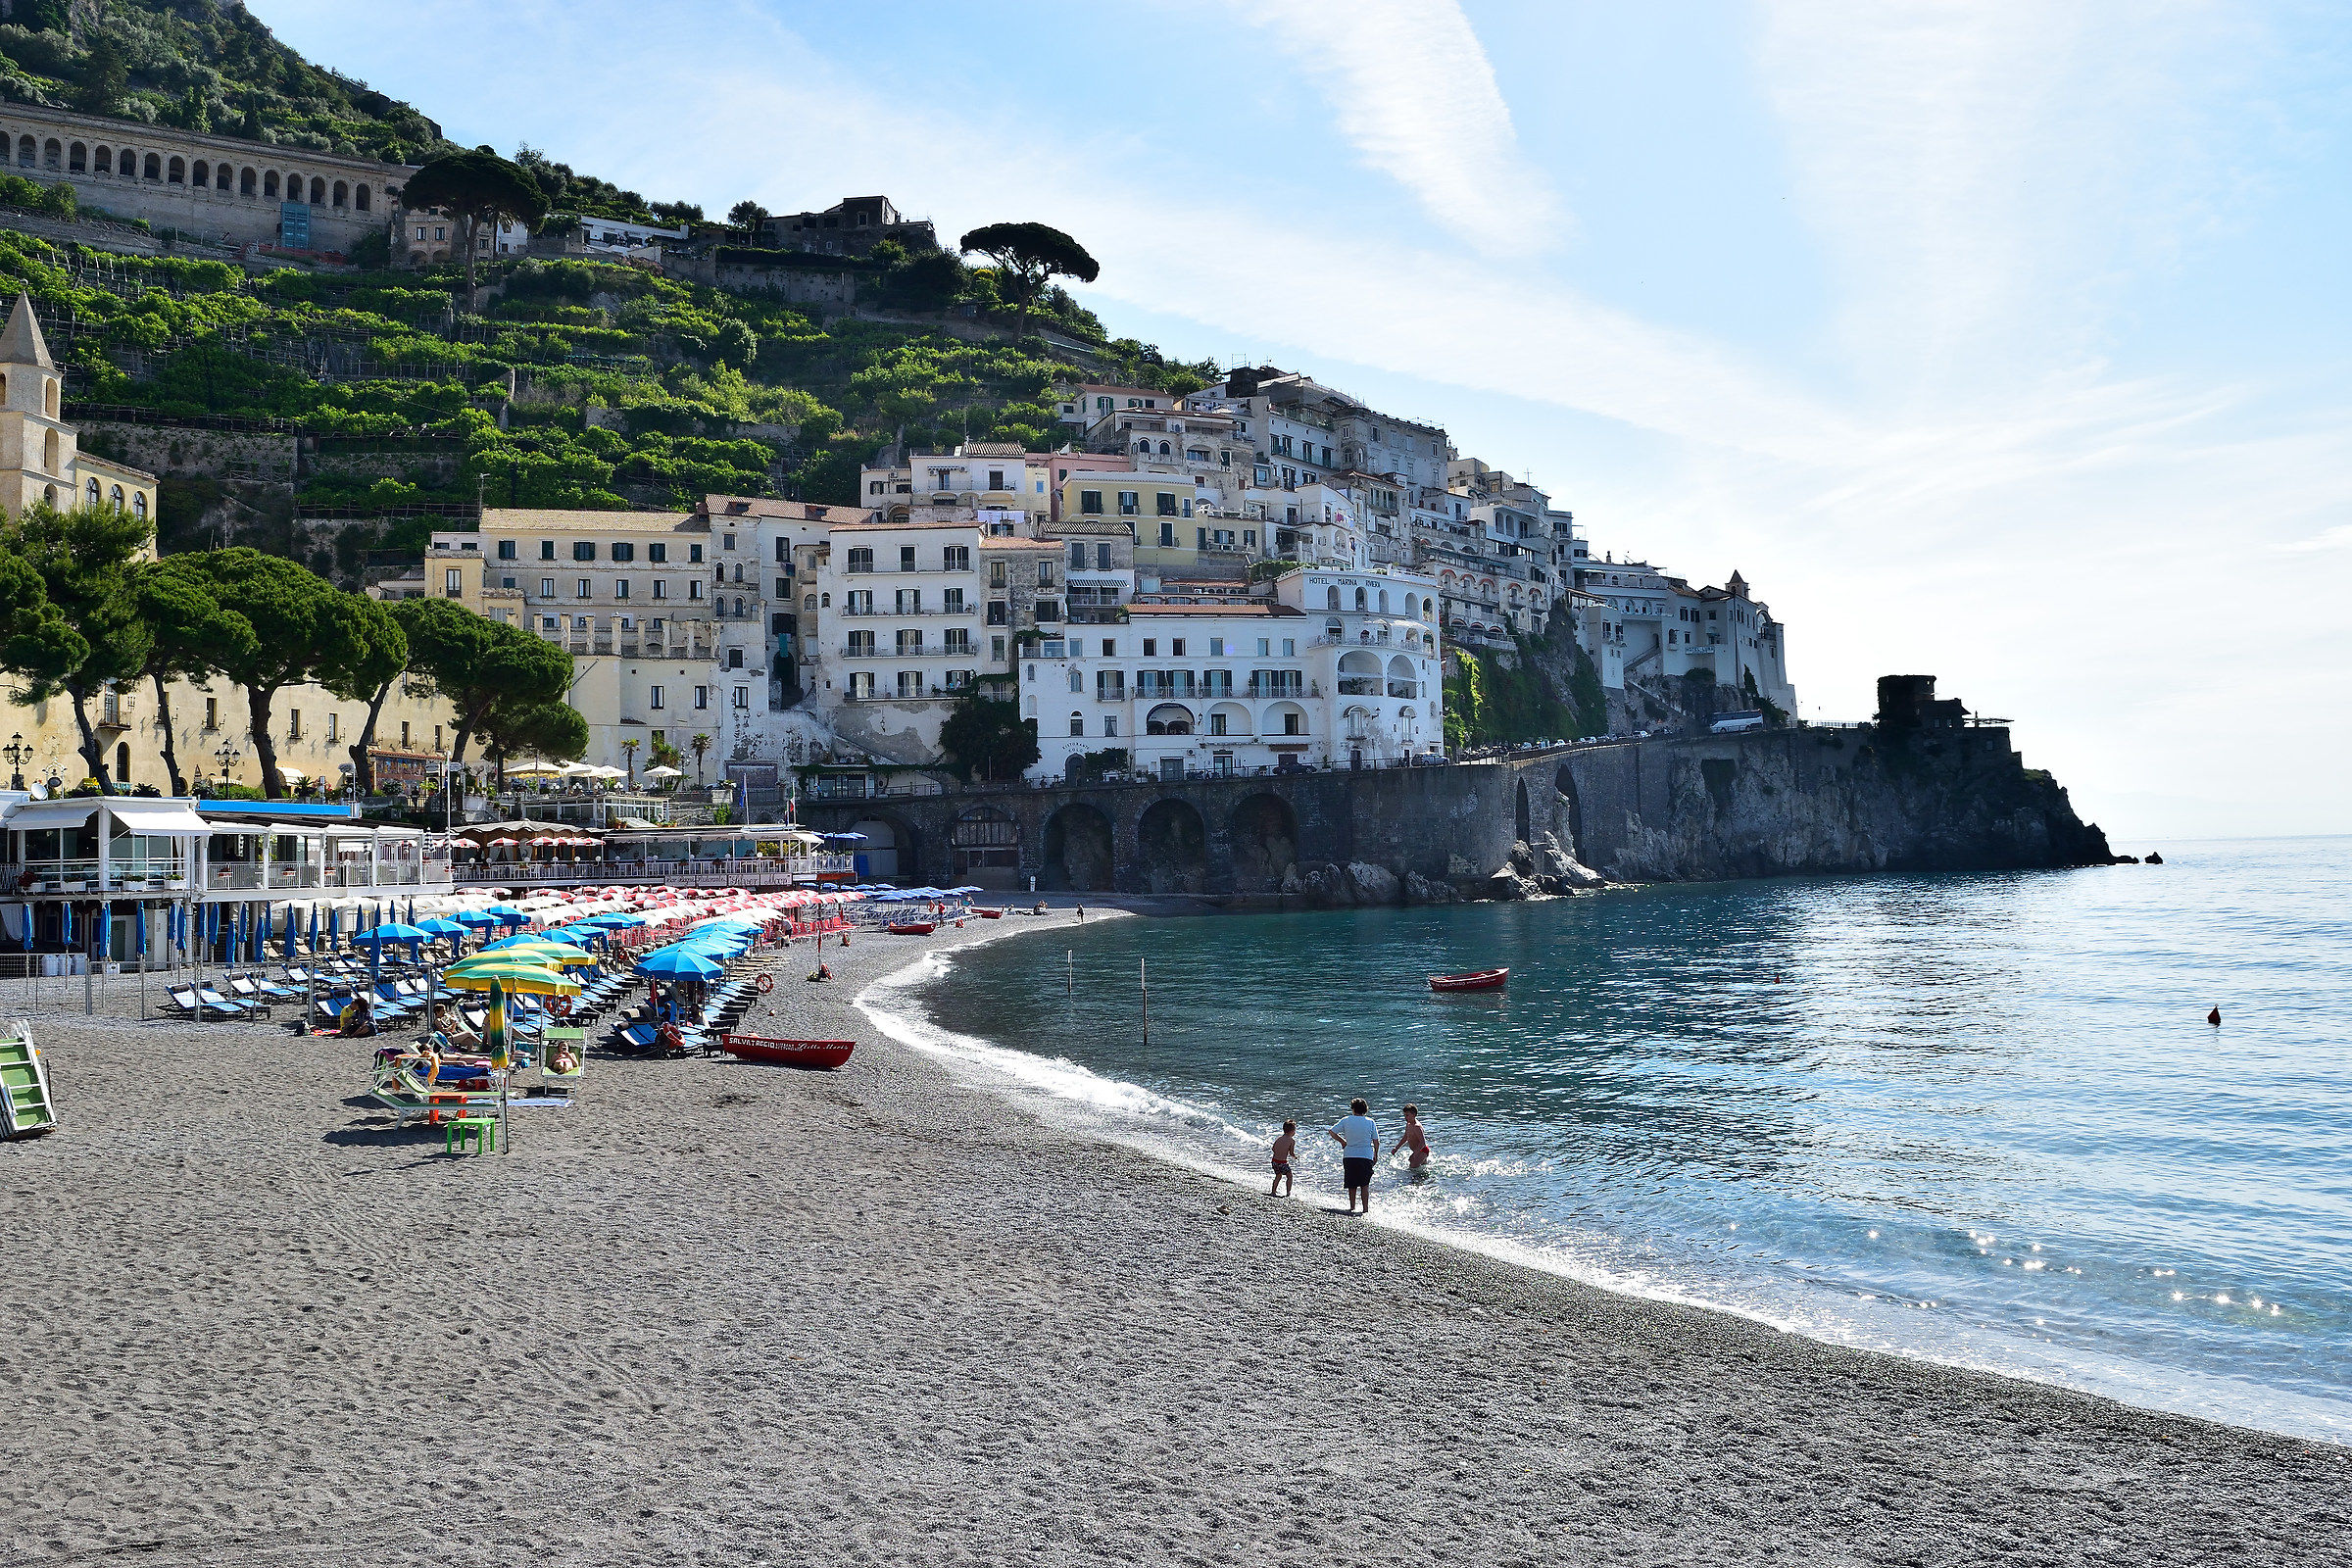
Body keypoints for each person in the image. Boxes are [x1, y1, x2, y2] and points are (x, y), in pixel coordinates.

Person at [1329, 1098, 1380, 1214]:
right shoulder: (1370, 1122)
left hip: (1349, 1155)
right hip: (1366, 1156)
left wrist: (1342, 1141)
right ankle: (1365, 1209)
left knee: (1351, 1184)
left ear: (1353, 1109)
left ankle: (1352, 1207)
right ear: (1365, 1109)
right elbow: (1376, 1141)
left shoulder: (1346, 1120)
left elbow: (1332, 1131)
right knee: (1364, 1184)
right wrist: (1376, 1154)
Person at [1396, 1102, 1433, 1171]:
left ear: (1414, 1115)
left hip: (1422, 1151)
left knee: (1413, 1167)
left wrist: (1414, 1154)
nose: (1405, 1117)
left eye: (1407, 1115)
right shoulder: (1408, 1124)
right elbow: (1405, 1137)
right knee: (1421, 1168)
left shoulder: (1417, 1126)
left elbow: (1422, 1142)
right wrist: (1396, 1148)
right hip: (1418, 1151)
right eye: (1404, 1115)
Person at [1269, 1119, 1297, 1197]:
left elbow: (1273, 1149)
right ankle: (1288, 1193)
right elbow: (1291, 1153)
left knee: (1278, 1176)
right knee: (1289, 1176)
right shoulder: (1291, 1141)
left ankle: (1273, 1191)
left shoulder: (1279, 1138)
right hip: (1282, 1163)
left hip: (1274, 1161)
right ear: (1292, 1131)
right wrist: (1295, 1157)